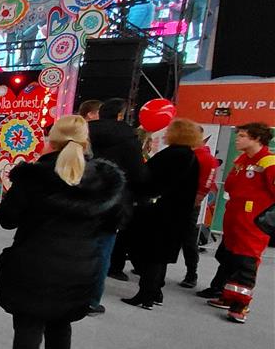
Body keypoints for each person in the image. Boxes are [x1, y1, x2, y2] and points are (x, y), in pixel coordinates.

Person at [0, 115, 124, 349]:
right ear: (85, 140)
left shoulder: (33, 177)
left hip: (34, 264)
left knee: (28, 329)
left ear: (51, 139)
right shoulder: (104, 181)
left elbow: (6, 218)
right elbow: (114, 224)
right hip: (80, 265)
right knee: (61, 322)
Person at [197, 122, 275, 323]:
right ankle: (227, 295)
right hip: (235, 219)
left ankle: (240, 306)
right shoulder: (243, 159)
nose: (237, 140)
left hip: (252, 223)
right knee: (229, 257)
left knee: (246, 262)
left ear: (256, 139)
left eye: (242, 136)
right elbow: (232, 185)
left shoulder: (269, 162)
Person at [121, 118, 200, 309]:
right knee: (160, 255)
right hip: (176, 213)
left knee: (149, 253)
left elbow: (148, 178)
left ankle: (146, 294)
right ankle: (155, 292)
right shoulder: (191, 157)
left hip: (157, 212)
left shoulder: (171, 155)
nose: (165, 133)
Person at [88, 98, 145, 284]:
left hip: (84, 193)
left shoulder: (85, 131)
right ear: (120, 115)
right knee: (104, 247)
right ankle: (93, 293)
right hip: (114, 198)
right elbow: (137, 172)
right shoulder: (129, 137)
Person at [180, 126, 220, 288]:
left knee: (189, 239)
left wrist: (196, 200)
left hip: (189, 203)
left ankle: (191, 273)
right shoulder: (185, 153)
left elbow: (206, 184)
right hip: (176, 200)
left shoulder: (206, 158)